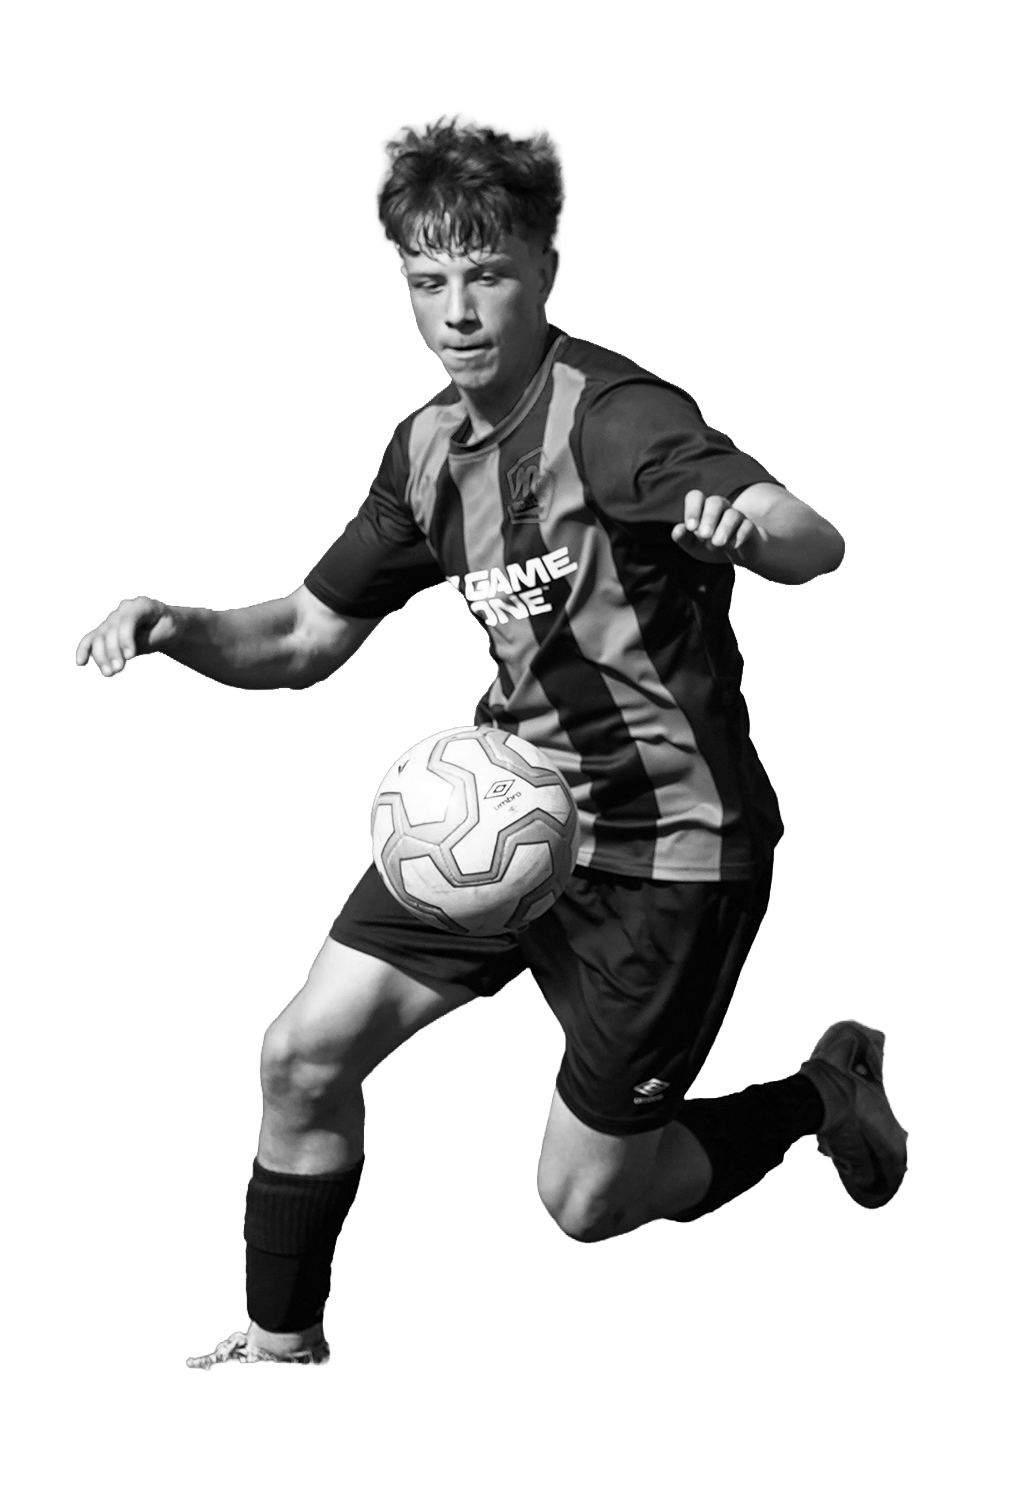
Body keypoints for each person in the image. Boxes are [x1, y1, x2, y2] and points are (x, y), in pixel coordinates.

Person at [76, 114, 909, 1375]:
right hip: (495, 821)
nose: (458, 309)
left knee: (587, 1205)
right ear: (402, 291)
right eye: (428, 279)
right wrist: (174, 628)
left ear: (545, 268)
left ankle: (823, 1101)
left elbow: (814, 539)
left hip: (661, 854)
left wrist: (753, 526)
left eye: (488, 273)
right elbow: (308, 637)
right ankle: (280, 1345)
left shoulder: (617, 419)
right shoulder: (422, 453)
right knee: (299, 1059)